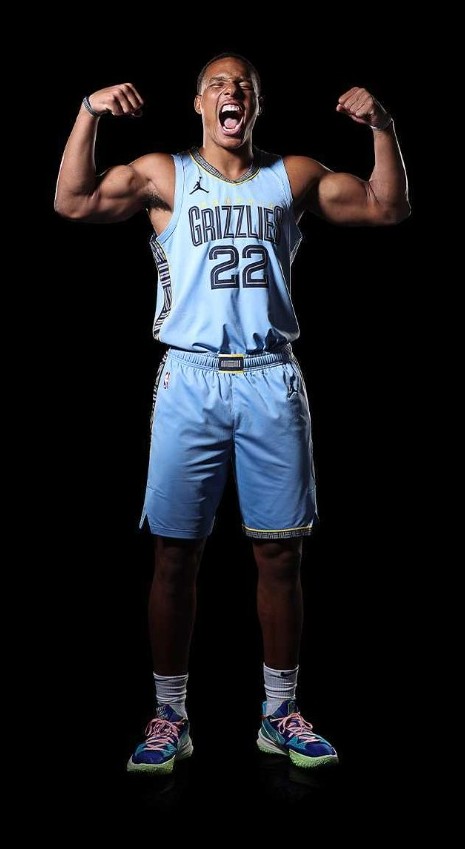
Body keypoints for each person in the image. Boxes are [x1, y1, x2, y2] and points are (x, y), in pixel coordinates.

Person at [55, 53, 410, 775]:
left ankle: (279, 712)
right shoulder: (164, 175)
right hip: (189, 378)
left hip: (270, 376)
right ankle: (169, 715)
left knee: (280, 552)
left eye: (242, 85)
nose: (231, 92)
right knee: (174, 553)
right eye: (217, 83)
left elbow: (386, 206)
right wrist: (88, 111)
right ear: (198, 104)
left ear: (255, 105)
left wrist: (384, 126)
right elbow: (73, 201)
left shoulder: (292, 176)